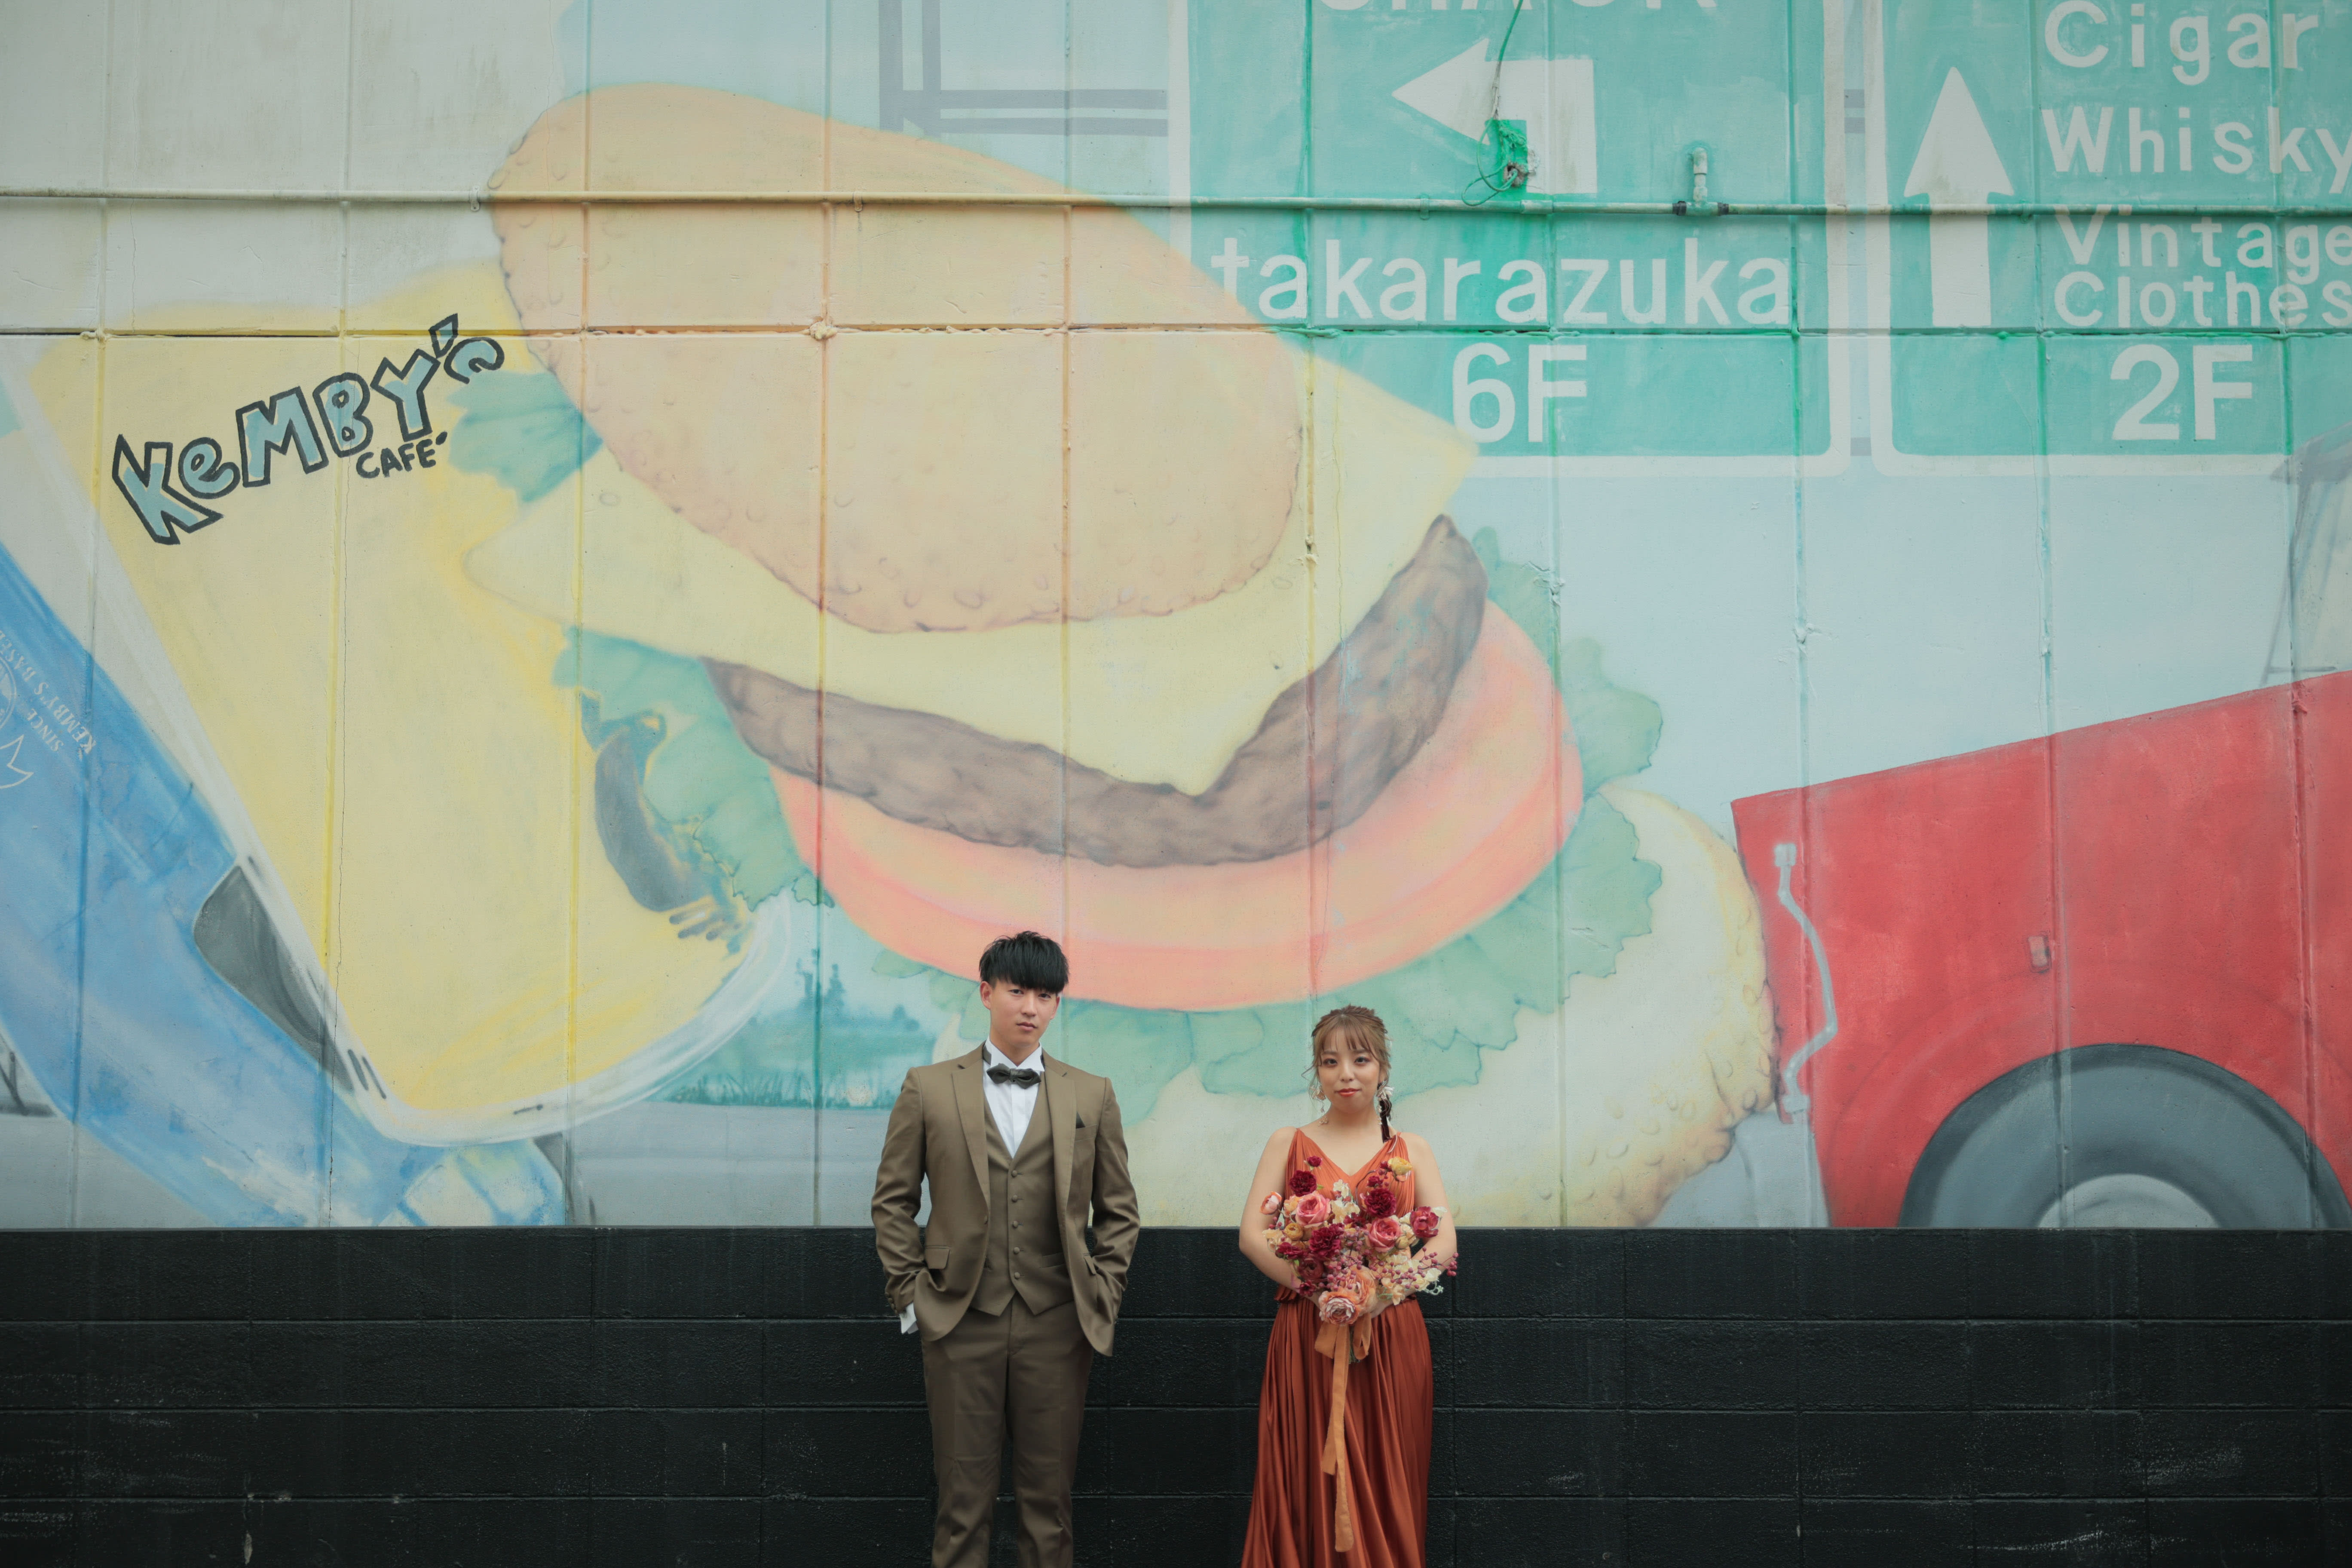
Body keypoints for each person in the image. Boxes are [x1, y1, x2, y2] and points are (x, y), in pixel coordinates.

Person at [871, 930, 1142, 1568]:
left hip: (1059, 1320)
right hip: (959, 1318)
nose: (1030, 1007)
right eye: (1018, 991)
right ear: (987, 993)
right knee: (961, 1506)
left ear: (1057, 1005)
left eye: (1045, 996)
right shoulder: (928, 1088)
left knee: (1050, 1508)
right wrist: (912, 1298)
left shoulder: (1092, 1093)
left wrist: (1100, 1294)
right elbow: (892, 1201)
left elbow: (1119, 1212)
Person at [1237, 1005, 1459, 1567]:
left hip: (1390, 1334)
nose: (1346, 1074)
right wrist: (1322, 1292)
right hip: (1309, 1334)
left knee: (1390, 1476)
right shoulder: (1288, 1143)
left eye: (1360, 1060)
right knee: (1305, 1473)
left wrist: (1381, 1294)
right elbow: (1252, 1236)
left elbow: (1443, 1242)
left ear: (1382, 1067)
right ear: (1317, 1072)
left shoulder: (1412, 1150)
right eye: (1330, 1061)